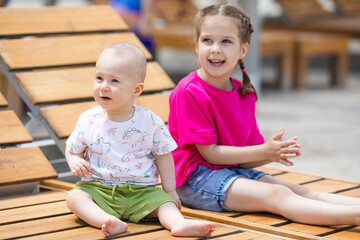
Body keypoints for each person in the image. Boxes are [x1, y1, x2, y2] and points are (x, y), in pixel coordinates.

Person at [168, 3, 360, 226]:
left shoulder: (243, 93)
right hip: (196, 180)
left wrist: (271, 154)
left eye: (226, 41)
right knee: (278, 196)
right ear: (196, 45)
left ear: (243, 50)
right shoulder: (190, 91)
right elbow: (210, 154)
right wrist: (264, 151)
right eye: (207, 40)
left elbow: (246, 159)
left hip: (230, 171)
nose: (215, 49)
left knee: (298, 191)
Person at [65, 42, 216, 237]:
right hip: (98, 189)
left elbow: (164, 155)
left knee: (166, 204)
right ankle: (106, 221)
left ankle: (178, 224)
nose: (104, 87)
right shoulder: (88, 119)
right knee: (75, 197)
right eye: (99, 78)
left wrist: (169, 190)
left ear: (136, 90)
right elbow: (72, 148)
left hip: (142, 192)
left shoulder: (150, 121)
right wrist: (74, 160)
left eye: (114, 81)